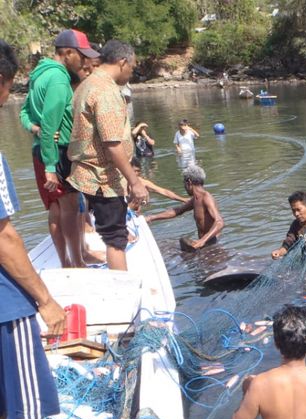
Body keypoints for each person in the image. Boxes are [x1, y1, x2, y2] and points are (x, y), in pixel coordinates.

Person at [0, 38, 91, 419]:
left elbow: (29, 119)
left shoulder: (38, 81)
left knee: (1, 389)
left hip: (42, 157)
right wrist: (45, 300)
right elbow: (3, 236)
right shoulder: (56, 81)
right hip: (3, 299)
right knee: (24, 390)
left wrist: (34, 130)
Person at [19, 29, 100, 268]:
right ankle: (78, 263)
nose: (85, 61)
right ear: (67, 53)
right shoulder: (58, 78)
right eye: (81, 55)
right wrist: (52, 166)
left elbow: (24, 113)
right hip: (57, 151)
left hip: (41, 150)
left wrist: (34, 129)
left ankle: (68, 261)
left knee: (56, 209)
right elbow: (51, 123)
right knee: (71, 208)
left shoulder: (38, 75)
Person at [67, 40, 149, 272]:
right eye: (132, 67)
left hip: (87, 174)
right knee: (116, 240)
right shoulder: (106, 91)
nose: (131, 72)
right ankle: (122, 290)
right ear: (122, 62)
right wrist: (135, 182)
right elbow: (112, 144)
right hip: (103, 178)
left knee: (113, 235)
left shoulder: (86, 84)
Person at [145, 166, 224, 251]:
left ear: (189, 182)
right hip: (204, 243)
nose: (184, 187)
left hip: (213, 244)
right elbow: (178, 211)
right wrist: (151, 217)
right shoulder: (195, 199)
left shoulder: (206, 197)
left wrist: (202, 241)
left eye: (184, 183)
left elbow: (219, 222)